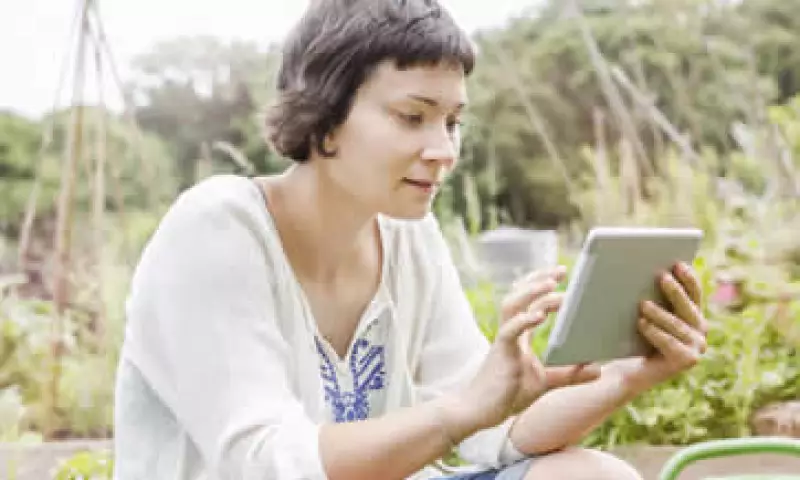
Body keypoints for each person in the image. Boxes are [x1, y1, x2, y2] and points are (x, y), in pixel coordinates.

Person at [112, 0, 709, 478]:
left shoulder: (407, 235)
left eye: (453, 122)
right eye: (412, 117)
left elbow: (488, 433)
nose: (444, 150)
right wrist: (459, 412)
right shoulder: (216, 230)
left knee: (590, 476)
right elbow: (270, 463)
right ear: (324, 118)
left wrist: (631, 375)